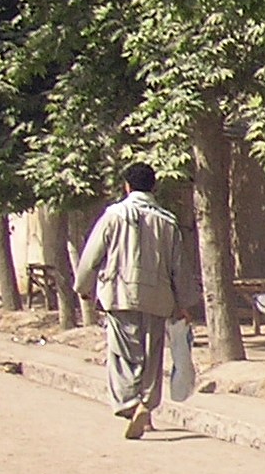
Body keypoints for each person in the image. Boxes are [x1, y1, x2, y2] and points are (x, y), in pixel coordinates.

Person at [73, 162, 200, 438]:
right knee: (152, 356)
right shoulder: (167, 221)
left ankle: (131, 404)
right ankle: (147, 407)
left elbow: (93, 253)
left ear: (127, 187)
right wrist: (184, 304)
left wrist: (84, 286)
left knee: (123, 355)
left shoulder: (114, 215)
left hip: (120, 294)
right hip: (159, 298)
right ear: (154, 187)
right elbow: (179, 266)